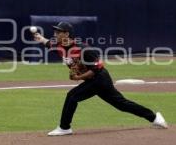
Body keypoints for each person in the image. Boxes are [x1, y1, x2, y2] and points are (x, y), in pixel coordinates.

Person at [33, 22, 168, 136]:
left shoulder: (83, 49)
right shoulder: (59, 45)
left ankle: (64, 128)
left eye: (58, 32)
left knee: (72, 96)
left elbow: (94, 71)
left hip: (99, 78)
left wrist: (78, 77)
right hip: (93, 81)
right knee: (121, 104)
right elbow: (48, 43)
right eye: (55, 32)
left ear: (67, 34)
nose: (55, 35)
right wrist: (40, 38)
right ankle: (154, 117)